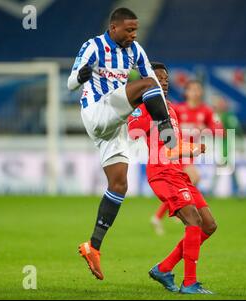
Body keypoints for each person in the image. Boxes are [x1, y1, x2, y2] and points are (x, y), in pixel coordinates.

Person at [67, 7, 175, 280]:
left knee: (119, 184)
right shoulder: (93, 46)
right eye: (129, 30)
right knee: (147, 84)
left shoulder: (136, 50)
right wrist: (80, 77)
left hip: (113, 125)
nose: (133, 35)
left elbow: (154, 83)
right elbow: (70, 82)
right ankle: (162, 126)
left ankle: (93, 246)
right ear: (113, 28)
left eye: (135, 30)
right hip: (96, 111)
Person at [128, 62, 217, 294]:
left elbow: (172, 146)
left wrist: (191, 148)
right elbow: (131, 128)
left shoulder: (170, 108)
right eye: (159, 77)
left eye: (166, 78)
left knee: (209, 225)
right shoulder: (146, 106)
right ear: (148, 81)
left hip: (179, 173)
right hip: (162, 174)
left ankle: (164, 268)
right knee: (194, 222)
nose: (165, 81)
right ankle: (189, 283)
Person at [151, 80, 223, 233]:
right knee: (194, 178)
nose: (195, 93)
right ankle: (173, 210)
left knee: (188, 182)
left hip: (189, 154)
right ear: (186, 93)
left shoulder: (206, 111)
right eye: (192, 90)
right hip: (175, 151)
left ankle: (161, 215)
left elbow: (219, 129)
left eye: (198, 90)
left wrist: (210, 125)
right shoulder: (177, 108)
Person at [210, 95, 245, 196]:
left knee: (223, 167)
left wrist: (240, 144)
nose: (219, 105)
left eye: (221, 103)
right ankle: (239, 190)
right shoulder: (215, 115)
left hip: (226, 145)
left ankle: (212, 190)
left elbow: (236, 129)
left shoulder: (228, 116)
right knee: (228, 168)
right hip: (218, 145)